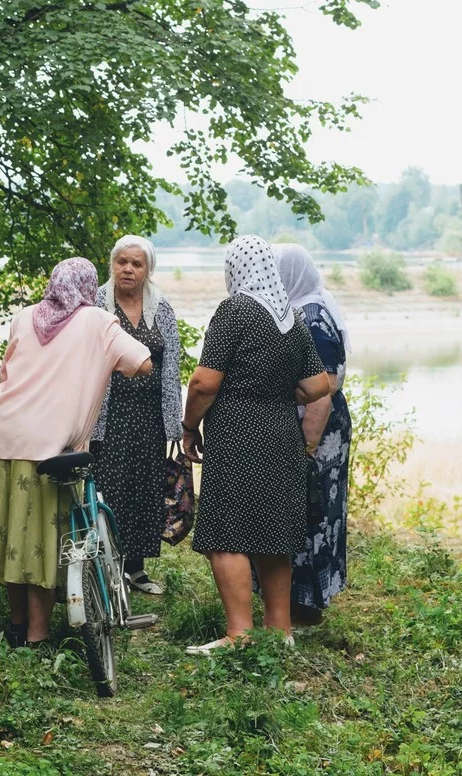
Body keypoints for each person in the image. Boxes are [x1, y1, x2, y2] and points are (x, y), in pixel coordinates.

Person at [0, 258, 152, 648]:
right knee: (41, 544)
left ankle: (17, 627)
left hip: (0, 437)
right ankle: (37, 635)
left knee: (10, 539)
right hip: (49, 449)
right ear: (88, 287)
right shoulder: (98, 322)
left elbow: (6, 375)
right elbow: (144, 363)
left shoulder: (24, 316)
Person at [182, 235, 330, 655]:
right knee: (273, 532)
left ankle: (239, 634)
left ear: (236, 268)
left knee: (226, 534)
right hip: (283, 433)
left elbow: (204, 382)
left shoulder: (235, 310)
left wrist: (189, 425)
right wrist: (279, 393)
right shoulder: (291, 318)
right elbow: (318, 384)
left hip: (237, 433)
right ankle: (280, 632)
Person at [90, 235, 182, 595]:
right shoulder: (97, 302)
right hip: (107, 413)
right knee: (108, 487)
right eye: (122, 262)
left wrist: (173, 420)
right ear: (112, 265)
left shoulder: (161, 307)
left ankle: (136, 570)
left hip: (148, 415)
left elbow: (171, 364)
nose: (128, 269)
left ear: (148, 270)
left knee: (144, 486)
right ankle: (105, 567)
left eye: (136, 264)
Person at [272, 244, 352, 627]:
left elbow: (325, 388)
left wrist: (306, 447)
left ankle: (306, 603)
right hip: (317, 427)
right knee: (311, 509)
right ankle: (300, 600)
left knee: (313, 510)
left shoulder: (311, 316)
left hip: (319, 431)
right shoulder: (304, 309)